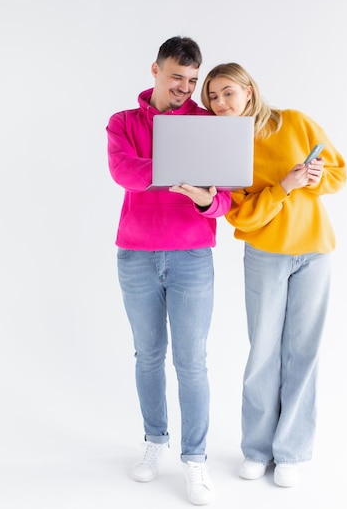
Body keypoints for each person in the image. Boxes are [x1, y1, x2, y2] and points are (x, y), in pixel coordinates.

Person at [200, 62, 347, 488]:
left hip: (314, 252)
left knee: (302, 353)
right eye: (212, 96)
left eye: (227, 92)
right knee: (262, 352)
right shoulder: (225, 148)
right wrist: (282, 187)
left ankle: (291, 453)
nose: (220, 102)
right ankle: (256, 449)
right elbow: (242, 217)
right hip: (265, 254)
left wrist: (315, 178)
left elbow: (339, 172)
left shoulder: (295, 123)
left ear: (249, 90)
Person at [106, 37, 231, 505]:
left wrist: (204, 196)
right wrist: (181, 168)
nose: (186, 88)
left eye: (193, 80)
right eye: (177, 77)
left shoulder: (207, 122)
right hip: (136, 254)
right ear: (155, 70)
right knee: (147, 356)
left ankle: (195, 462)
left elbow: (222, 199)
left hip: (192, 256)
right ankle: (154, 442)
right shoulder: (122, 122)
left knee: (192, 363)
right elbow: (125, 172)